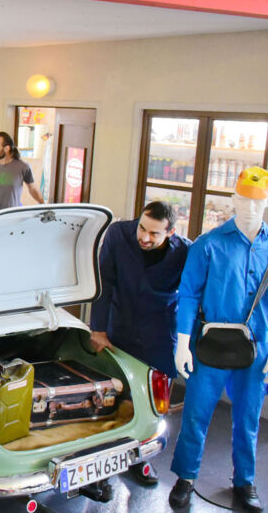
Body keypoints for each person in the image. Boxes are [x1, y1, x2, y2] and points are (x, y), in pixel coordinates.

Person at [168, 167, 268, 512]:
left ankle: (245, 481)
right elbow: (189, 294)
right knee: (196, 415)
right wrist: (182, 342)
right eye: (243, 200)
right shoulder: (209, 245)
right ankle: (186, 477)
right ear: (232, 199)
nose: (249, 208)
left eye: (257, 201)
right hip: (209, 347)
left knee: (248, 419)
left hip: (257, 351)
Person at [85, 201, 191, 494]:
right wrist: (98, 329)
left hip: (160, 335)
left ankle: (141, 460)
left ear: (170, 232)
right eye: (142, 228)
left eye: (154, 233)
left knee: (154, 406)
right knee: (113, 402)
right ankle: (101, 468)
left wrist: (188, 340)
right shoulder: (119, 234)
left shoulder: (185, 251)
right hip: (120, 330)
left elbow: (194, 292)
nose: (144, 236)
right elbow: (103, 282)